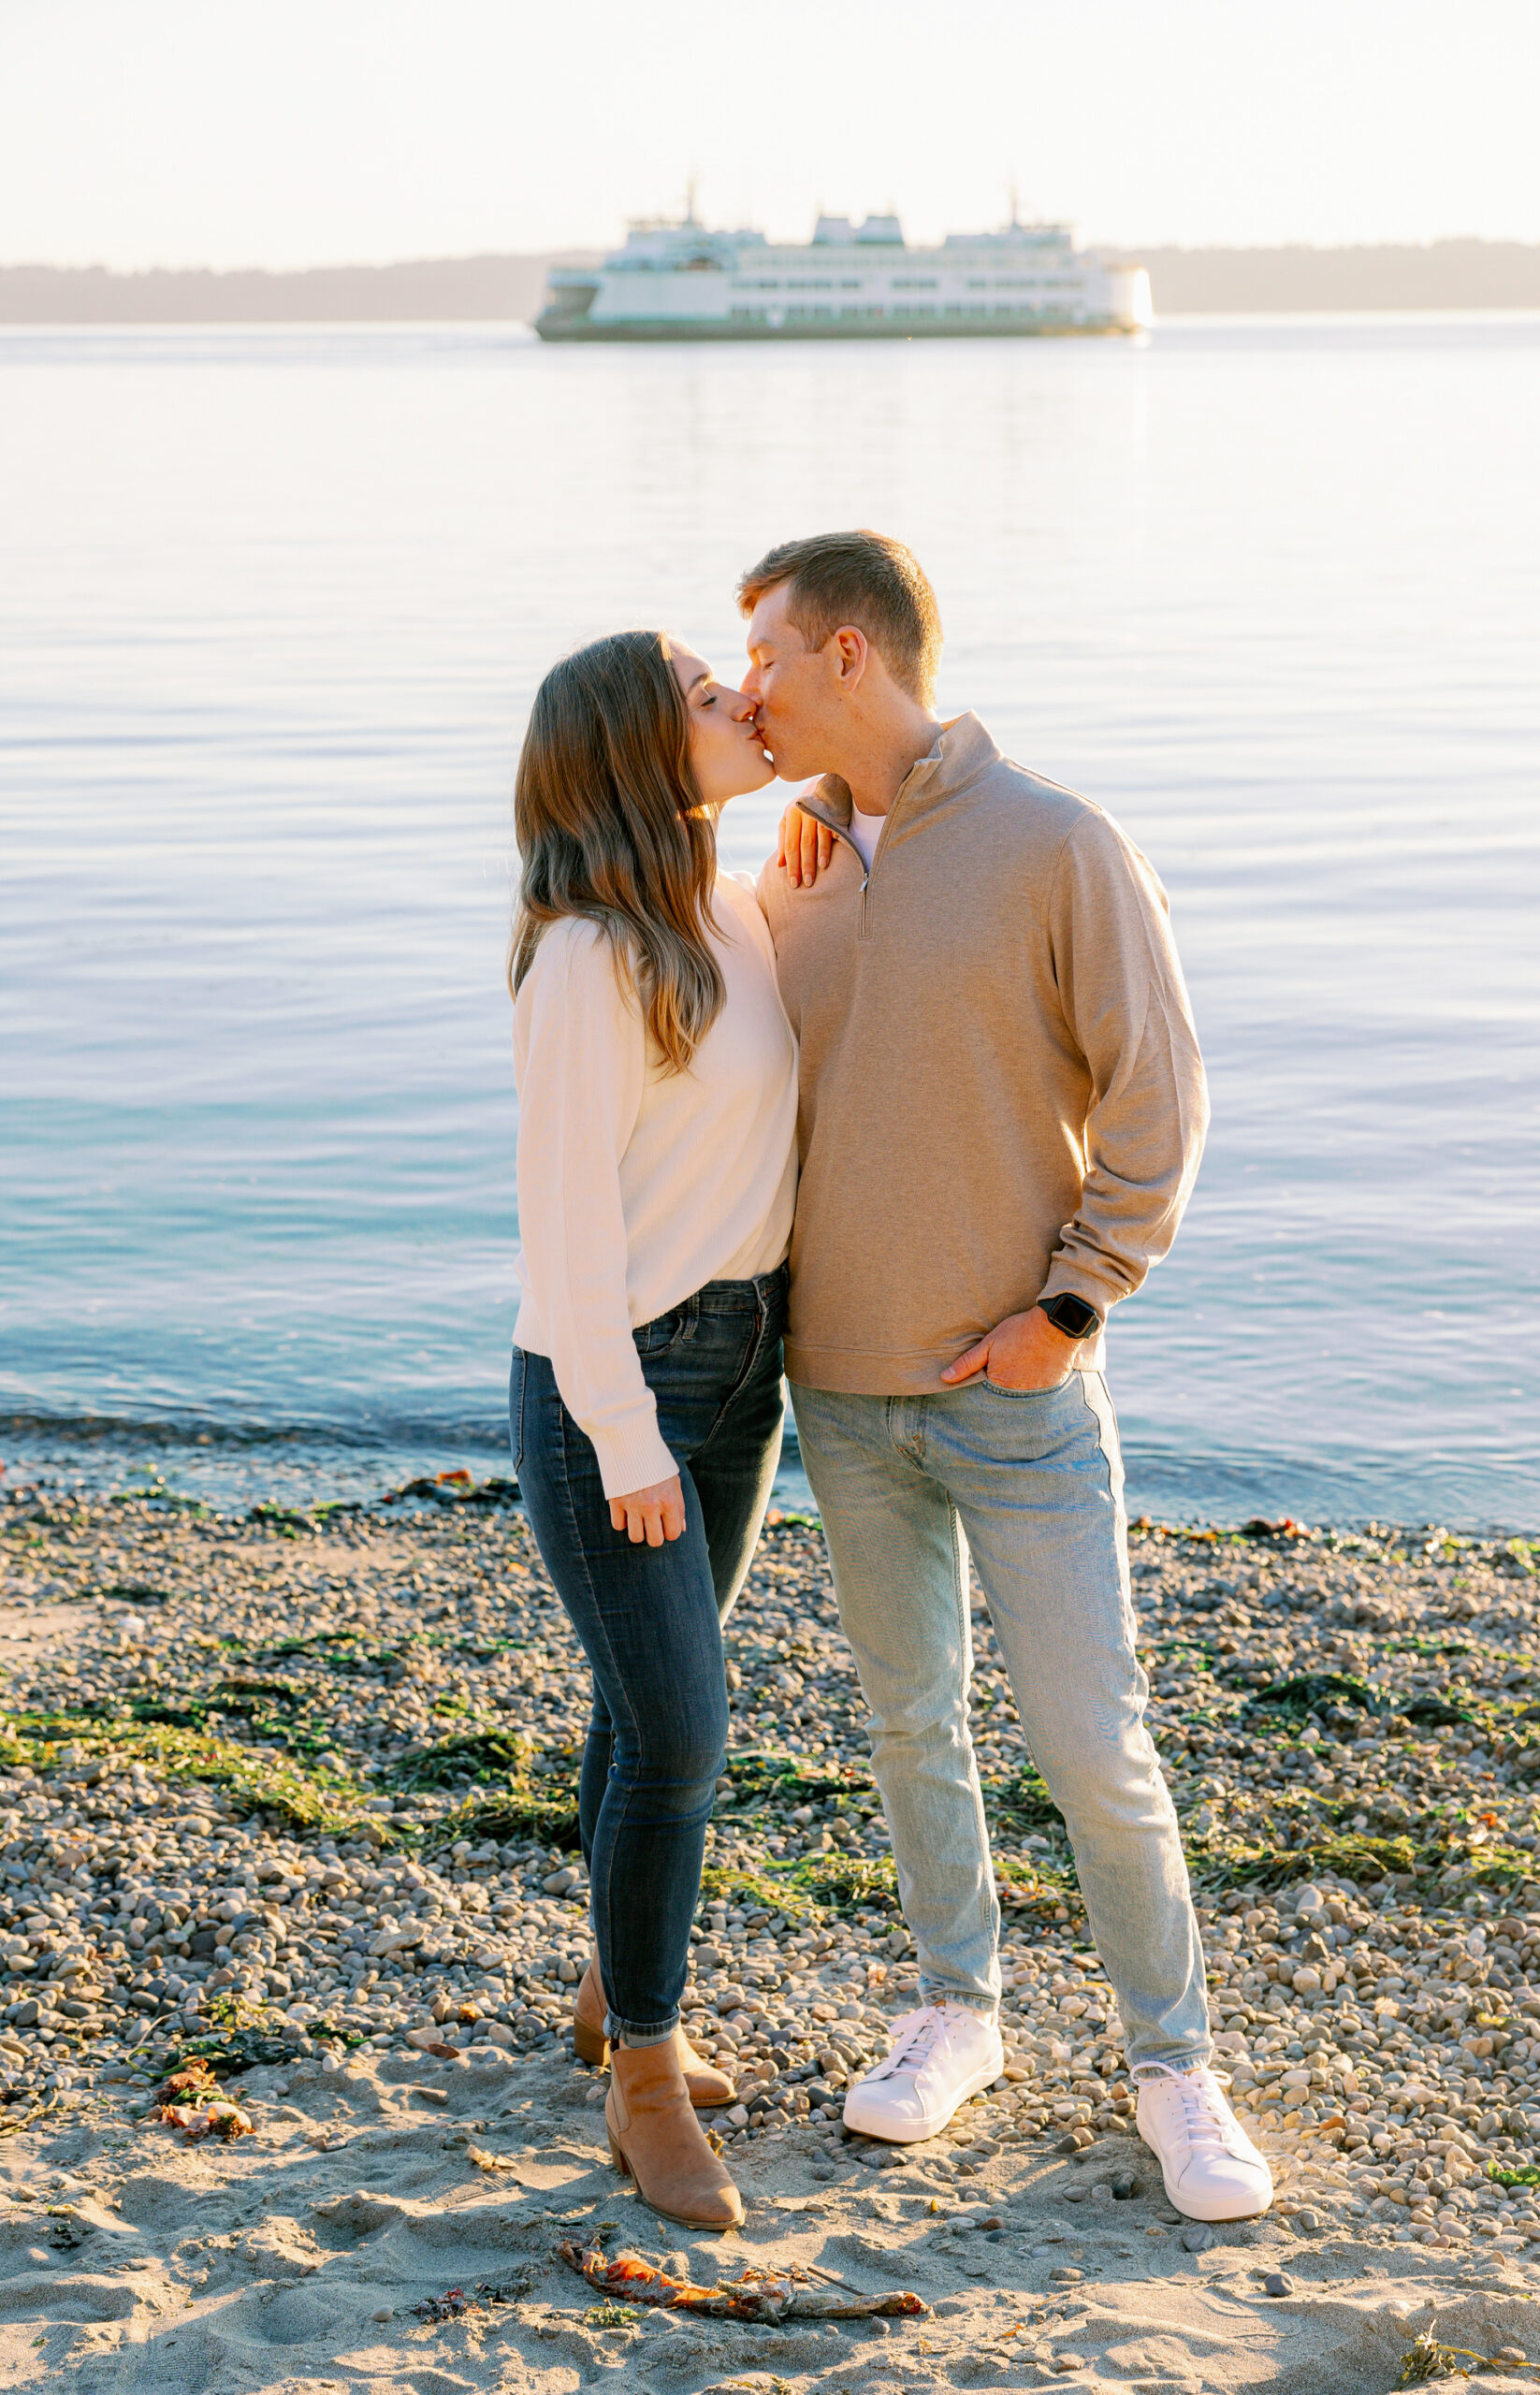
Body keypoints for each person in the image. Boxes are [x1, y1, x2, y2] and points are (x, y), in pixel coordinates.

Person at [747, 530, 1273, 2223]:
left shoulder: (1059, 840)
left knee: (1093, 1742)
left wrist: (1072, 1305)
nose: (740, 684)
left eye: (761, 651)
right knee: (912, 1727)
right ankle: (958, 2010)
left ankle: (1172, 2061)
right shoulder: (799, 858)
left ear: (846, 656)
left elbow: (1159, 1104)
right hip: (841, 1386)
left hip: (1016, 1387)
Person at [507, 628, 801, 2231]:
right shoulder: (587, 956)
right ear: (636, 750)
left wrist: (836, 813)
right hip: (609, 1385)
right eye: (705, 695)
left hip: (743, 1363)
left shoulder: (742, 908)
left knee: (641, 1715)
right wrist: (623, 1440)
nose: (740, 704)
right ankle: (642, 2068)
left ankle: (611, 1994)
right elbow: (562, 1233)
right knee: (684, 1731)